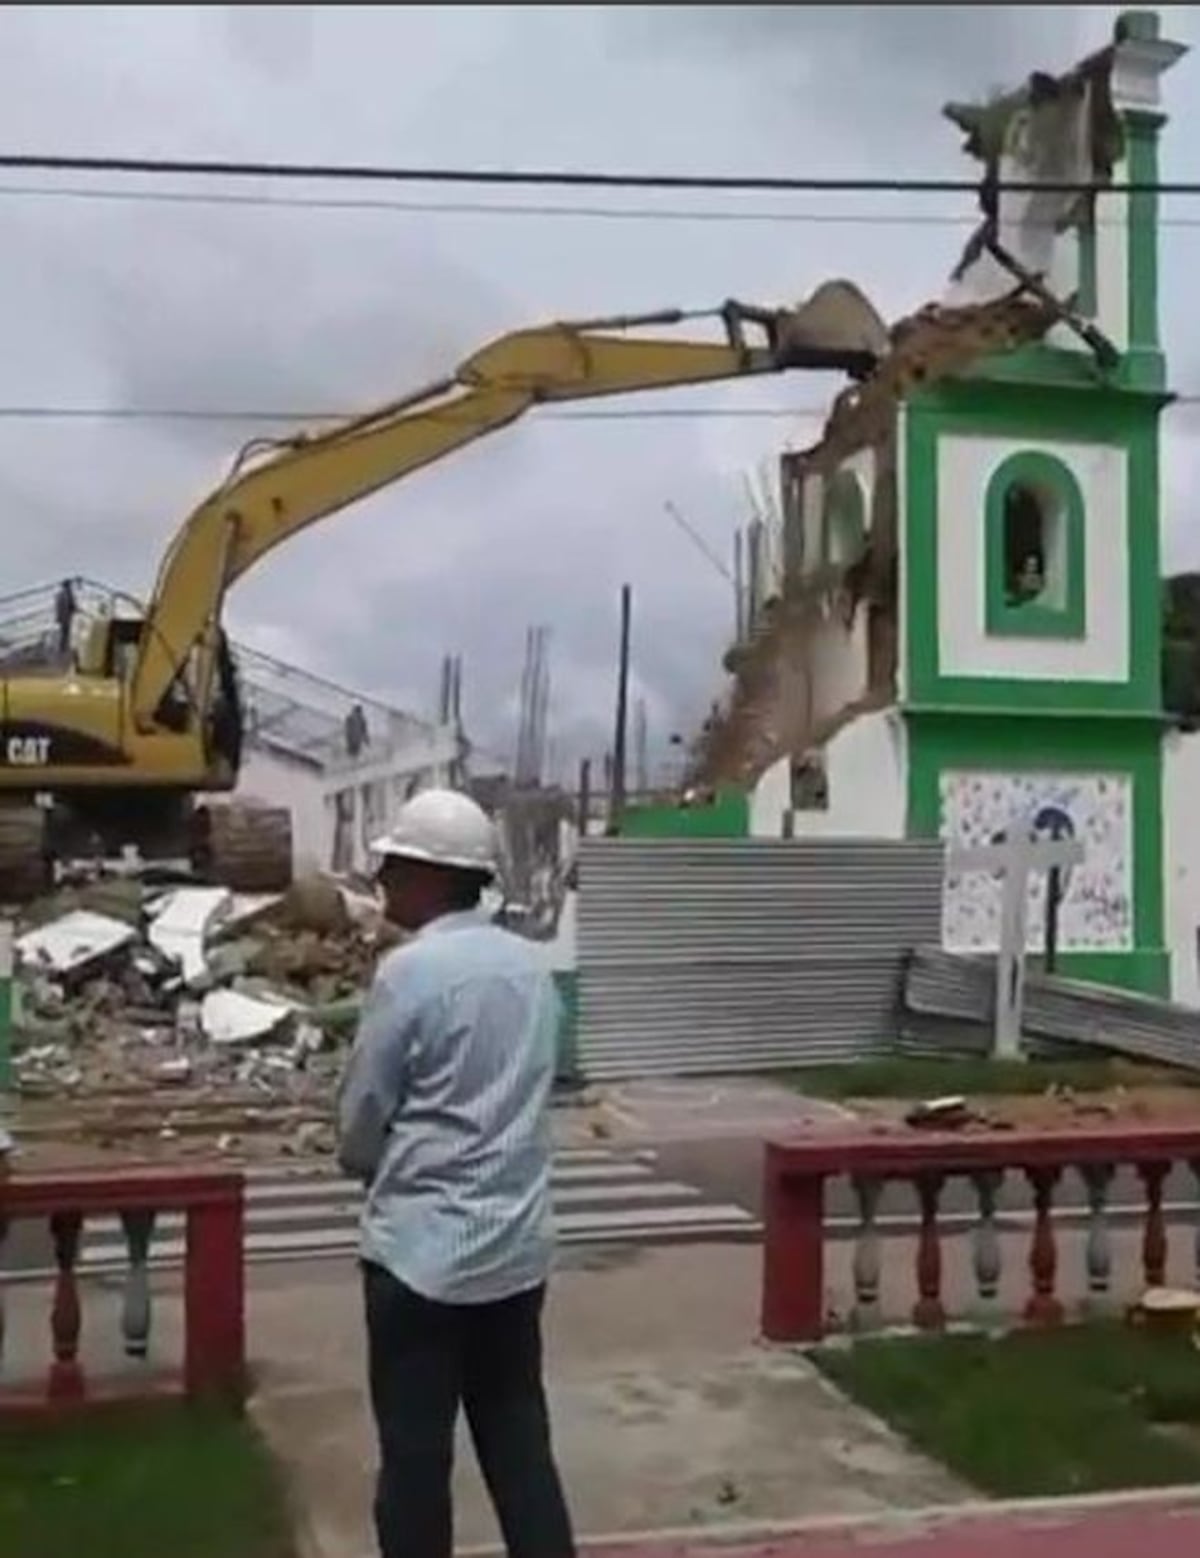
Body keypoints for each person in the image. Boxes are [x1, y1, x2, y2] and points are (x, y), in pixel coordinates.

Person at [337, 786, 575, 1558]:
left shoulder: (410, 974)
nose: (386, 883)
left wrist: (365, 1163)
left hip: (419, 1262)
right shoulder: (532, 971)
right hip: (513, 1254)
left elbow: (365, 1112)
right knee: (520, 1451)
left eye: (397, 867)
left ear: (435, 877)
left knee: (414, 1462)